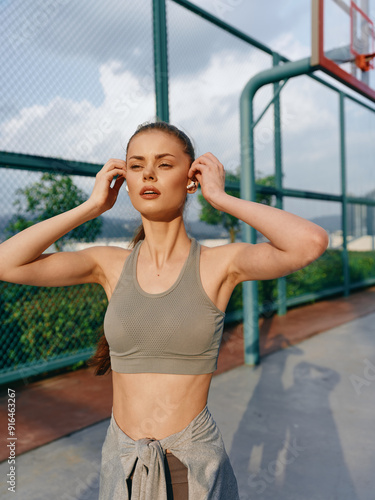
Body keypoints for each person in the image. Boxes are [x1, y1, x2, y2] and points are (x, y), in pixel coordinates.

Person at [0, 121, 329, 499]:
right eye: (136, 166)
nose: (149, 174)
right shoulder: (108, 264)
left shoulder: (219, 264)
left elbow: (309, 243)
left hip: (188, 464)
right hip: (120, 462)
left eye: (164, 164)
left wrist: (221, 198)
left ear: (191, 179)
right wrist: (91, 207)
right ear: (125, 179)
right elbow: (7, 263)